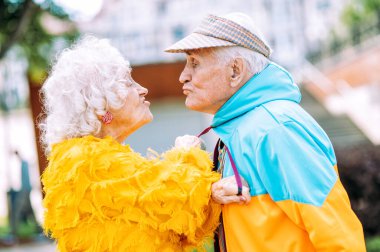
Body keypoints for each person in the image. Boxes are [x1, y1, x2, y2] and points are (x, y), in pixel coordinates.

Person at [165, 12, 366, 251]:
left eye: (194, 63)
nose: (182, 76)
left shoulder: (275, 127)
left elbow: (338, 235)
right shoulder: (247, 127)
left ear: (235, 71)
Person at [39, 36, 241, 251]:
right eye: (128, 83)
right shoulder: (80, 161)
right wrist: (186, 154)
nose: (142, 89)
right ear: (101, 106)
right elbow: (172, 197)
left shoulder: (98, 159)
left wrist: (212, 192)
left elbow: (173, 222)